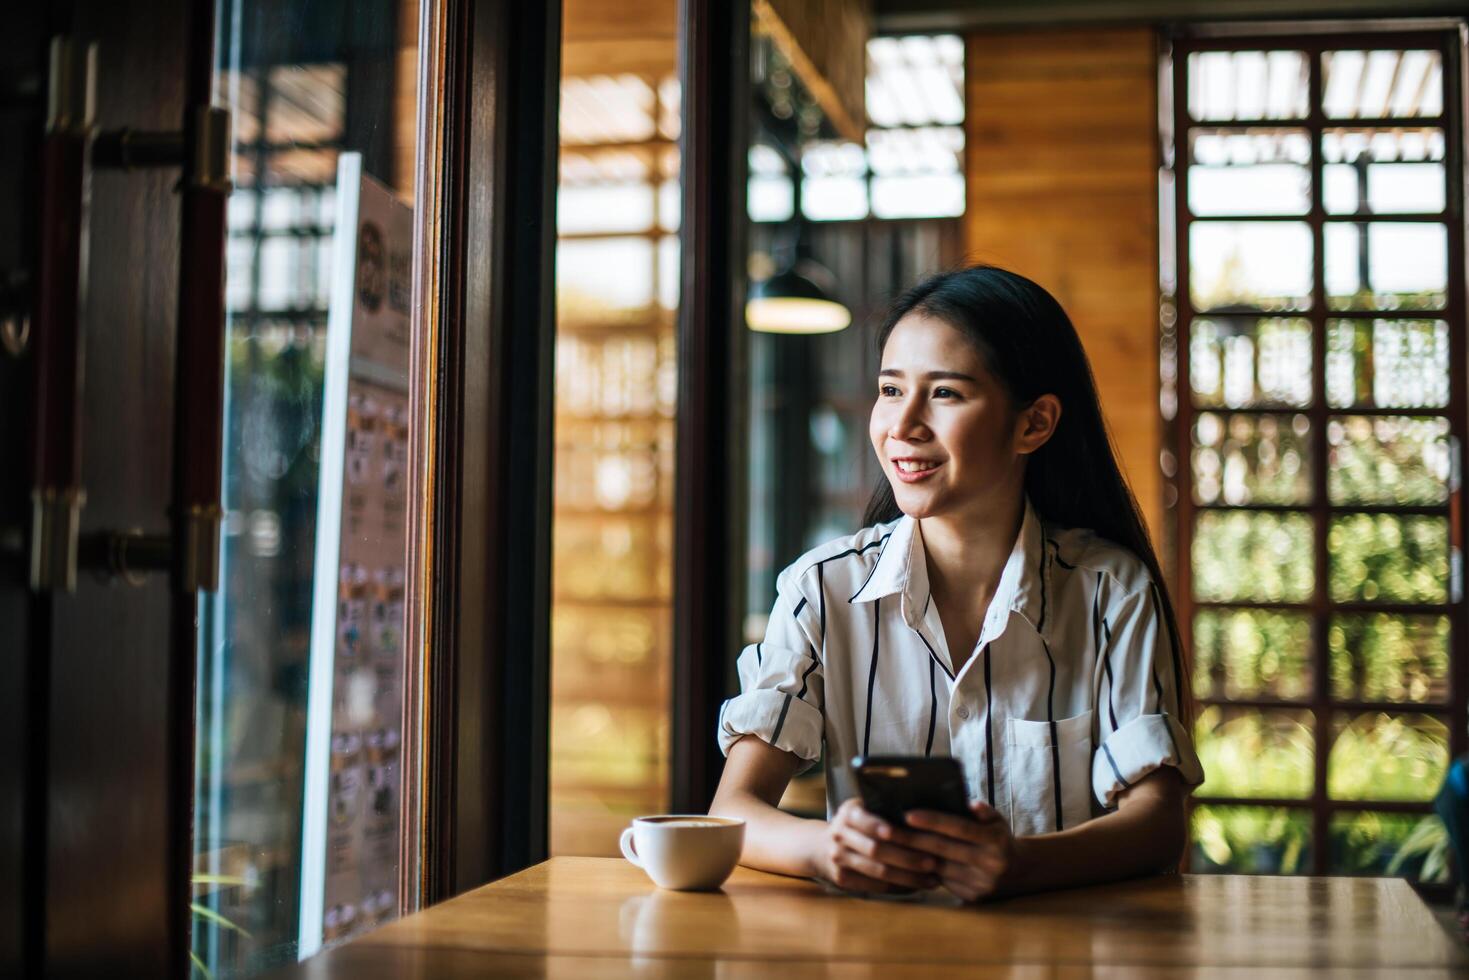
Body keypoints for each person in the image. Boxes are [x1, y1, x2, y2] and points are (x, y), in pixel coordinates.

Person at [710, 265, 1204, 902]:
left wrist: (1021, 864)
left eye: (944, 394)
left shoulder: (1112, 591)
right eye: (891, 390)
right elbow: (734, 809)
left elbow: (1158, 825)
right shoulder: (821, 590)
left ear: (1035, 423)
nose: (904, 425)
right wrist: (824, 847)